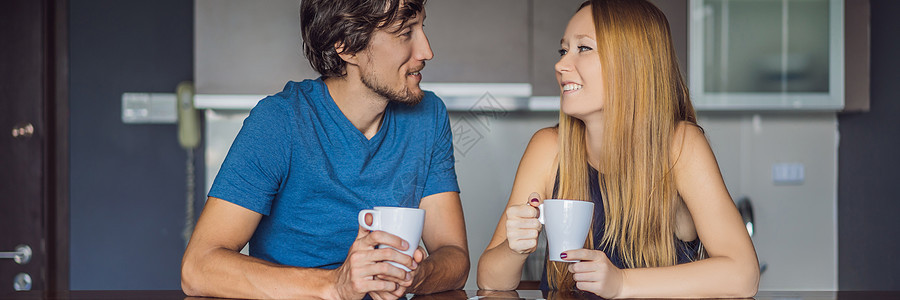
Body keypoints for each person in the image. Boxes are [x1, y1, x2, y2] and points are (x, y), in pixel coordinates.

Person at [180, 0, 469, 299]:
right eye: (405, 33)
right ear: (346, 47)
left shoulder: (428, 115)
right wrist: (335, 285)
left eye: (422, 27)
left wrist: (415, 277)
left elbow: (455, 257)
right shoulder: (280, 121)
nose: (426, 51)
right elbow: (198, 267)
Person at [476, 0, 759, 298]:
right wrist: (514, 247)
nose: (560, 65)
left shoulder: (680, 146)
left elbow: (743, 274)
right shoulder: (547, 147)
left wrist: (622, 283)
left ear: (632, 62)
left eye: (583, 49)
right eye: (563, 50)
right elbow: (491, 280)